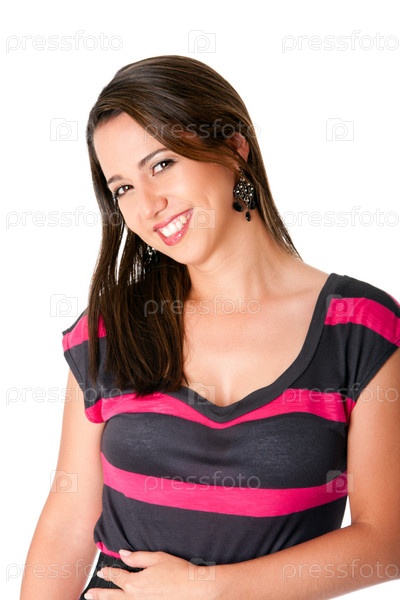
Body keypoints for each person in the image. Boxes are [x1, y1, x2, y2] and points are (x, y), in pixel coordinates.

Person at [20, 55, 400, 600]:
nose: (148, 205)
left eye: (161, 164)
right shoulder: (111, 329)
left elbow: (386, 540)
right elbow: (67, 522)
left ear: (234, 148)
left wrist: (209, 588)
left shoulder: (359, 328)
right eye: (122, 188)